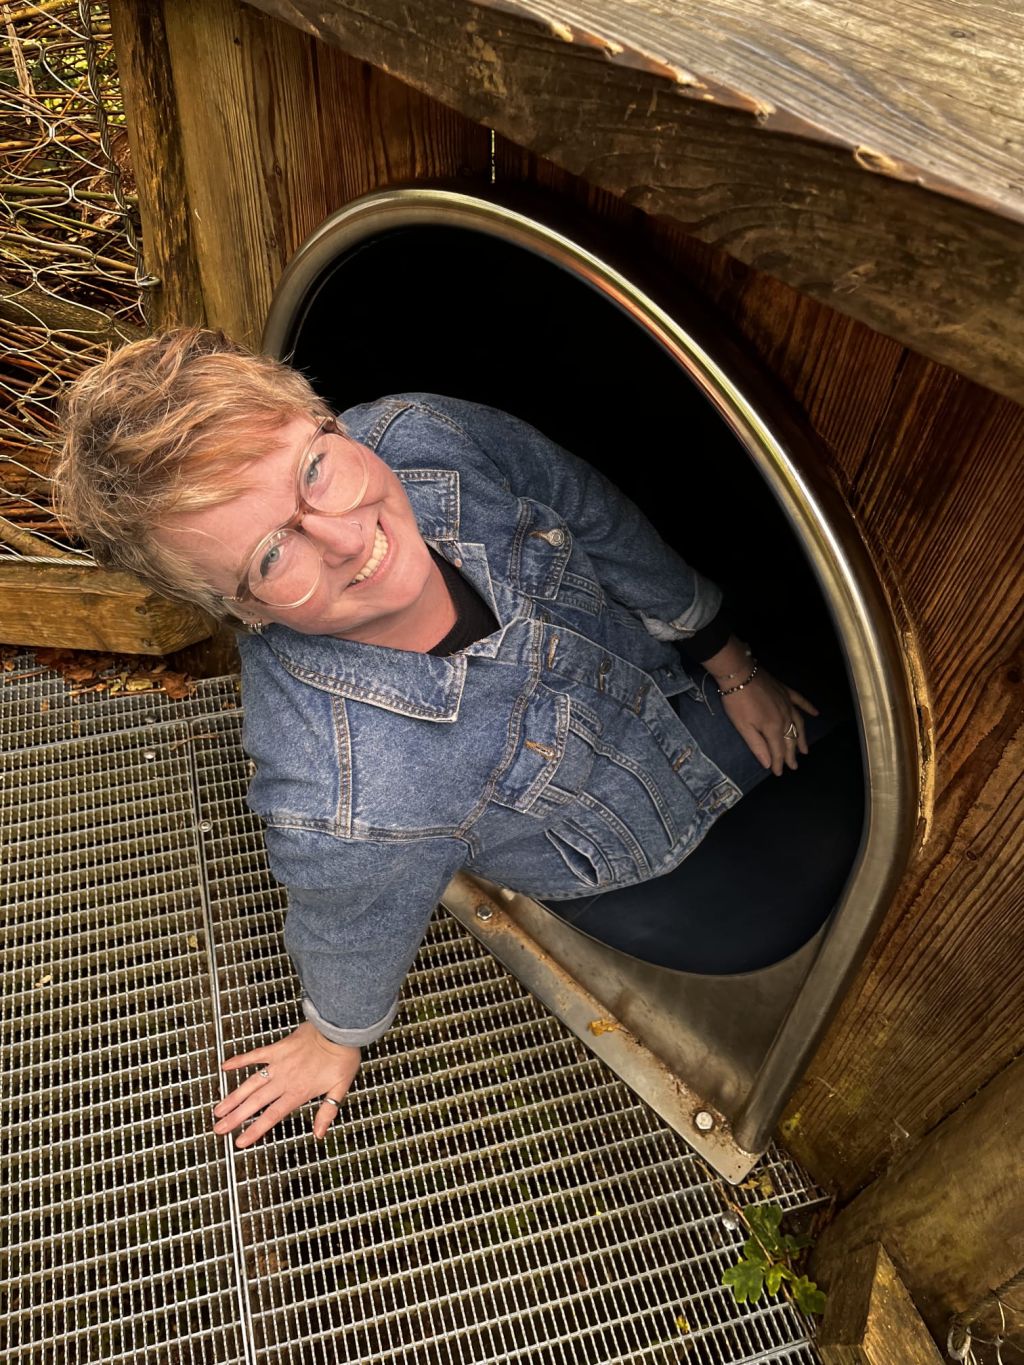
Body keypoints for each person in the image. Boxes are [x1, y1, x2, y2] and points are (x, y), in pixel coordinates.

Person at [56, 328, 818, 1151]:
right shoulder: (346, 798)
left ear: (329, 420)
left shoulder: (425, 435)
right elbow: (349, 923)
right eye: (272, 555)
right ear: (242, 610)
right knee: (833, 707)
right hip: (640, 812)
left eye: (313, 470)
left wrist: (724, 653)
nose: (347, 539)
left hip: (653, 661)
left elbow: (590, 511)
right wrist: (336, 1033)